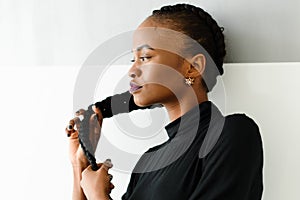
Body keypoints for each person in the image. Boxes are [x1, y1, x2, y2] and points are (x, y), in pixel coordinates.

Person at [65, 3, 263, 200]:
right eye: (132, 60)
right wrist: (79, 166)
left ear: (193, 67)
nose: (132, 71)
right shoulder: (148, 162)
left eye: (145, 57)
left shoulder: (232, 133)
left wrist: (99, 195)